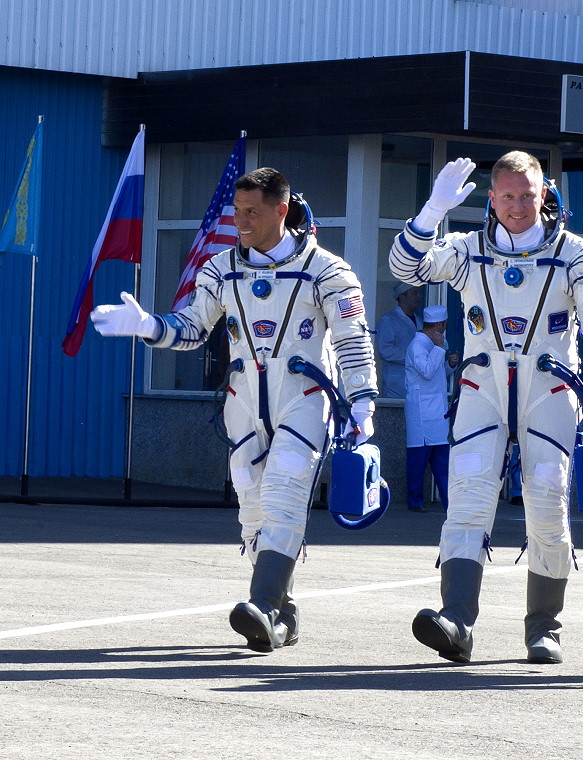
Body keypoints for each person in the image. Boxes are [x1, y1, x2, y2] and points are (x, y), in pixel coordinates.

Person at [91, 167, 378, 652]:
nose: (241, 221)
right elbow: (193, 327)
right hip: (244, 404)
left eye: (252, 212)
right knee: (252, 510)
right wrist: (147, 326)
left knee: (285, 493)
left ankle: (263, 604)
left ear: (280, 210)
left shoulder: (327, 270)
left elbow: (352, 339)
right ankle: (280, 615)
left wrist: (364, 400)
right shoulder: (220, 269)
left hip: (304, 401)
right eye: (237, 211)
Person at [389, 151, 583, 665]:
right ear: (491, 199)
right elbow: (405, 267)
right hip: (482, 390)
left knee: (546, 503)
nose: (518, 205)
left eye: (527, 194)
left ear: (545, 194)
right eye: (508, 196)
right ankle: (457, 618)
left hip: (550, 392)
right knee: (468, 499)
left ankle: (544, 627)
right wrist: (431, 212)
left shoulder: (577, 255)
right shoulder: (465, 250)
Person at [404, 304, 452, 513]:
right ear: (439, 325)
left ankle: (449, 503)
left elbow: (439, 374)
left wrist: (450, 365)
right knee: (418, 459)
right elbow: (426, 371)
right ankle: (414, 501)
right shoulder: (417, 345)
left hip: (437, 410)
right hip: (421, 412)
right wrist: (440, 349)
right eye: (443, 327)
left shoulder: (436, 343)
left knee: (442, 460)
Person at [377, 282, 421, 398]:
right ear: (402, 296)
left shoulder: (420, 322)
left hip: (417, 385)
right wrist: (411, 357)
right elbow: (385, 350)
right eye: (414, 293)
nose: (418, 297)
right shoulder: (389, 320)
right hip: (396, 386)